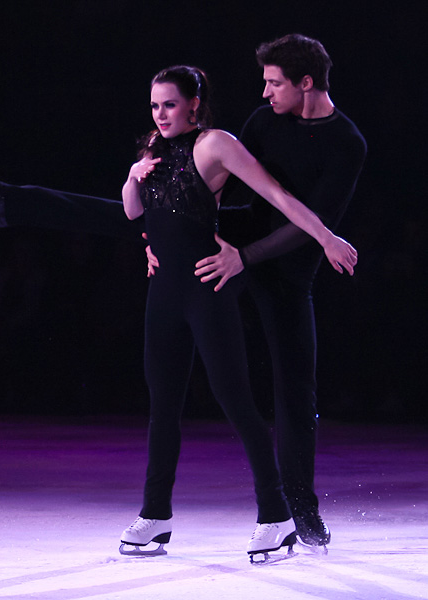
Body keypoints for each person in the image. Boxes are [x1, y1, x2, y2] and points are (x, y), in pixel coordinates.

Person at [0, 33, 366, 551]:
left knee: (289, 390)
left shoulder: (345, 142)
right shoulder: (258, 123)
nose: (264, 93)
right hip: (222, 244)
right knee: (163, 386)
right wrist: (160, 235)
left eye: (274, 83)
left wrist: (315, 241)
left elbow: (286, 204)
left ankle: (292, 509)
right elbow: (200, 190)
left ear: (305, 83)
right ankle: (4, 203)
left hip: (284, 262)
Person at [116, 64, 357, 559]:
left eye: (171, 104)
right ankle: (154, 515)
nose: (161, 114)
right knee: (162, 408)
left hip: (207, 288)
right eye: (155, 105)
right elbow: (134, 212)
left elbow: (275, 195)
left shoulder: (216, 145)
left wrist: (325, 236)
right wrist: (133, 175)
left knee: (236, 404)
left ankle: (276, 515)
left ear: (194, 104)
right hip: (162, 294)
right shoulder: (152, 150)